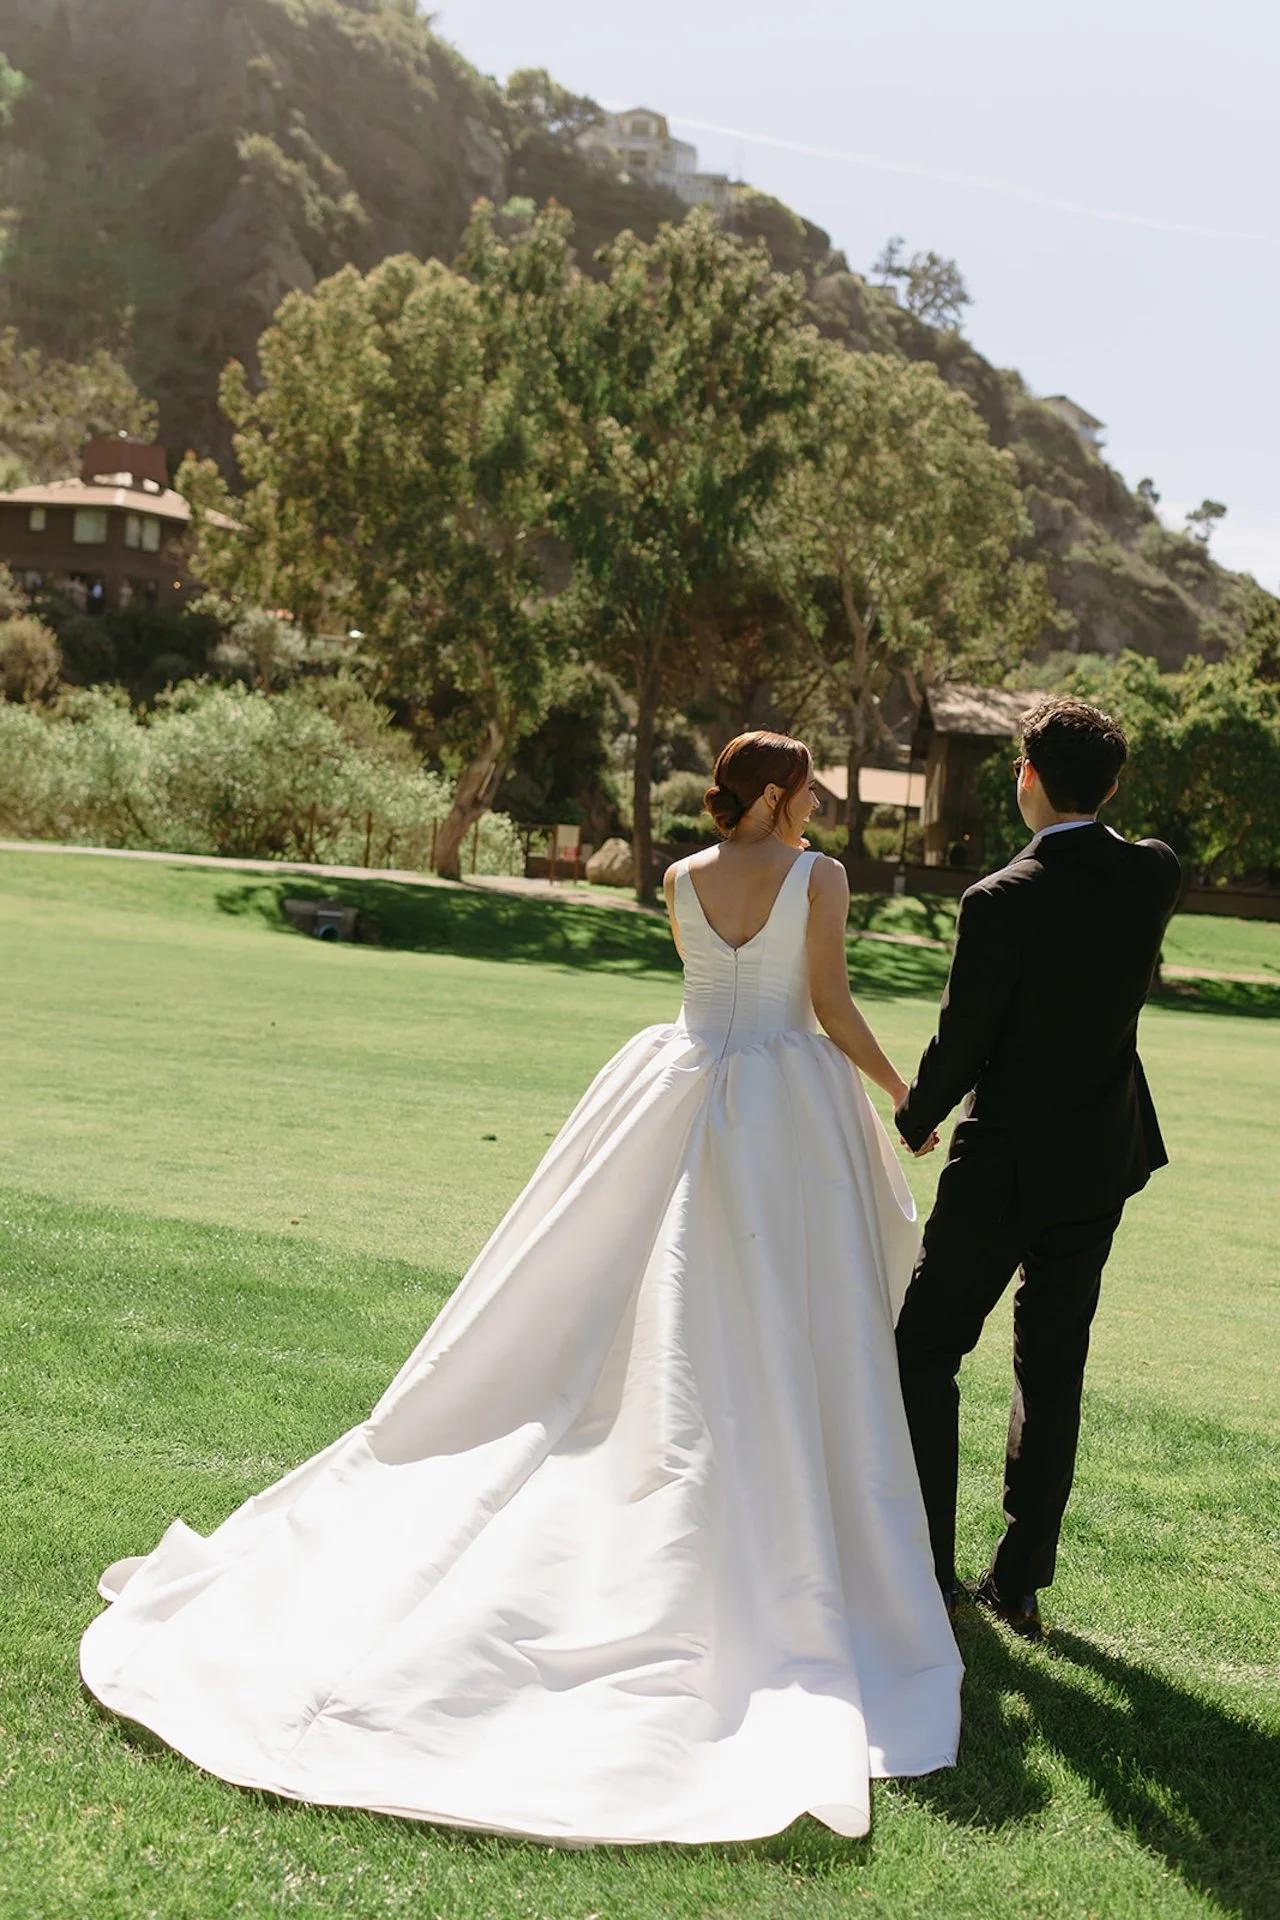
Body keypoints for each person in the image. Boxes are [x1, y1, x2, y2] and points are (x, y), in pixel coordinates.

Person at [81, 730, 961, 1847]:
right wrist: (898, 1091)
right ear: (783, 795)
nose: (817, 812)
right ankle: (760, 1487)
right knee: (772, 1307)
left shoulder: (684, 877)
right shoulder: (816, 876)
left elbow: (720, 987)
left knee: (655, 1294)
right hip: (782, 1102)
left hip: (679, 1081)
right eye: (810, 794)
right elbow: (826, 1005)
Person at [894, 697, 1181, 1642]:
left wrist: (916, 1115)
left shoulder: (1000, 899)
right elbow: (1128, 855)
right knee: (1052, 1366)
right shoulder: (1152, 877)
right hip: (1100, 1161)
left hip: (1004, 1165)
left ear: (1025, 777)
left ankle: (926, 1564)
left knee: (925, 1350)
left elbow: (963, 1041)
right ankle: (1018, 1583)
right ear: (1110, 785)